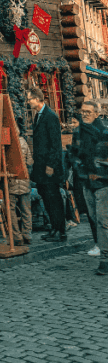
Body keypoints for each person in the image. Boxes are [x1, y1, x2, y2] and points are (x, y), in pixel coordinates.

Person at [68, 99, 108, 273]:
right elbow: (74, 154)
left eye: (88, 112)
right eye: (83, 111)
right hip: (86, 182)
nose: (84, 114)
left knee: (102, 221)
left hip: (103, 183)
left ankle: (105, 260)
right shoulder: (79, 131)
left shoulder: (104, 132)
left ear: (97, 114)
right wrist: (79, 169)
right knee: (93, 218)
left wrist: (99, 166)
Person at [28, 87, 66, 242]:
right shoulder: (38, 116)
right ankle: (53, 228)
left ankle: (60, 231)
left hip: (50, 168)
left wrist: (51, 165)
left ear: (38, 99)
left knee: (54, 199)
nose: (28, 101)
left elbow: (55, 144)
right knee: (46, 198)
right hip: (41, 167)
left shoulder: (50, 116)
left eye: (30, 98)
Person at [9, 119, 33, 245]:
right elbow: (29, 161)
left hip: (11, 178)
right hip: (24, 178)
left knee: (11, 209)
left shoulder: (7, 143)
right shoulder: (24, 142)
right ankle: (27, 234)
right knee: (26, 209)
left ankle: (16, 236)